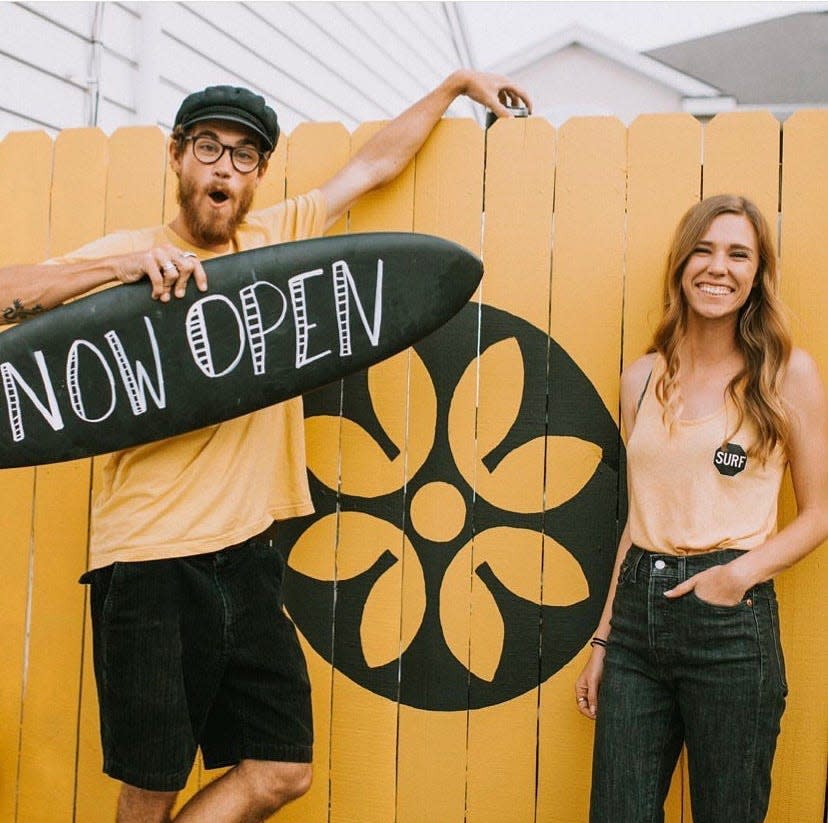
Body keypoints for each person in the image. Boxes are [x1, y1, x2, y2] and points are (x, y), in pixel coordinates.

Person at [0, 72, 531, 823]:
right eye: (210, 148)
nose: (225, 167)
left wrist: (454, 86)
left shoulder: (275, 246)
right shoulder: (130, 255)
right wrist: (117, 270)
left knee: (282, 767)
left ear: (258, 176)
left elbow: (374, 165)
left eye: (245, 156)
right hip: (148, 559)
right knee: (151, 784)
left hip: (248, 556)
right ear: (178, 157)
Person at [575, 194, 828, 822]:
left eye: (738, 253)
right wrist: (606, 636)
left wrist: (737, 575)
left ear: (757, 273)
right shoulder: (641, 378)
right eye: (704, 250)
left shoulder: (787, 374)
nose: (719, 267)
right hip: (637, 622)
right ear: (681, 264)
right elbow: (637, 521)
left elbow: (821, 510)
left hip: (732, 625)